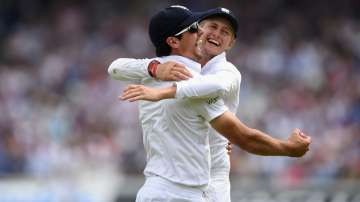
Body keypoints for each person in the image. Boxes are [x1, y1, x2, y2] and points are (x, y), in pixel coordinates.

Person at [108, 5, 311, 202]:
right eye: (201, 27)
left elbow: (117, 68)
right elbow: (244, 138)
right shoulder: (182, 77)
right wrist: (288, 148)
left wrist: (161, 85)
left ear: (231, 43)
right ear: (173, 41)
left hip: (155, 189)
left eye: (225, 32)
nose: (203, 32)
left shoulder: (161, 72)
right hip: (189, 191)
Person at [114, 7, 242, 202]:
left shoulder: (225, 71)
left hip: (211, 179)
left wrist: (163, 92)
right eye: (210, 26)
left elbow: (215, 85)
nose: (215, 34)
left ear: (231, 43)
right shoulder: (172, 67)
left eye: (225, 32)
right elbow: (115, 67)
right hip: (179, 184)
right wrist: (154, 68)